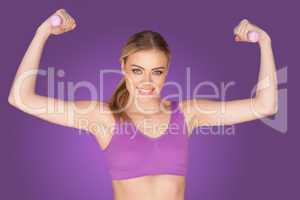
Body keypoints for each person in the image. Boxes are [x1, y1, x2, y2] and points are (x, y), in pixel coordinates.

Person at [8, 8, 278, 200]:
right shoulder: (103, 117)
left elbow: (265, 106)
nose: (147, 81)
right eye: (138, 70)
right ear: (123, 67)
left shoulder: (188, 113)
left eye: (157, 72)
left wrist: (265, 42)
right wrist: (41, 32)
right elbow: (20, 98)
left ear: (167, 71)